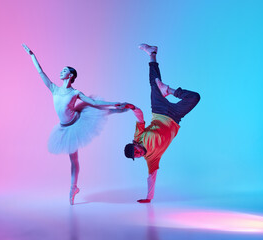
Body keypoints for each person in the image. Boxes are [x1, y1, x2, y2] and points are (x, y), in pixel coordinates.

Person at [22, 44, 126, 205]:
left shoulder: (75, 93)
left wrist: (114, 102)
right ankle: (75, 188)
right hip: (64, 129)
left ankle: (117, 109)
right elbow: (41, 72)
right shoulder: (54, 89)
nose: (61, 72)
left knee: (95, 111)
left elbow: (93, 102)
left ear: (70, 75)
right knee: (73, 160)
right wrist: (32, 55)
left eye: (64, 70)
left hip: (76, 122)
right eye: (61, 70)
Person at [122, 44, 200, 203]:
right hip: (175, 117)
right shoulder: (151, 159)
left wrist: (132, 107)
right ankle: (169, 90)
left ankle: (152, 54)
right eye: (136, 156)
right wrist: (148, 198)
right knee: (195, 97)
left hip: (159, 110)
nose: (138, 154)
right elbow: (151, 177)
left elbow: (140, 117)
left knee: (154, 85)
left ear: (134, 145)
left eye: (135, 151)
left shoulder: (138, 137)